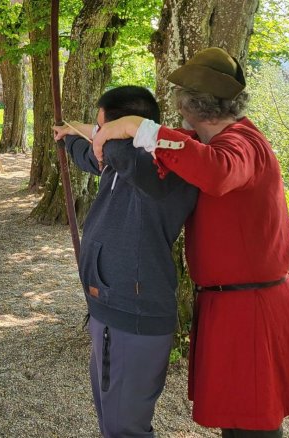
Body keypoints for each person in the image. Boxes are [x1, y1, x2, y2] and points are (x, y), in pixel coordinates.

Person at [93, 48, 289, 437]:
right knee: (236, 420)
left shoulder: (242, 143)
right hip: (234, 303)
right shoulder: (201, 141)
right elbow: (178, 154)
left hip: (251, 308)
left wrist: (140, 126)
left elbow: (218, 171)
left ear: (186, 103)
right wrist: (92, 133)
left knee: (253, 424)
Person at [52, 85, 198, 438]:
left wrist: (99, 134)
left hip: (134, 315)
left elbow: (112, 150)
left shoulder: (160, 166)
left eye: (106, 130)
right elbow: (92, 154)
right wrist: (70, 134)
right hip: (111, 309)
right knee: (111, 420)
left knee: (124, 429)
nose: (99, 141)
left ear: (125, 131)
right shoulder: (119, 160)